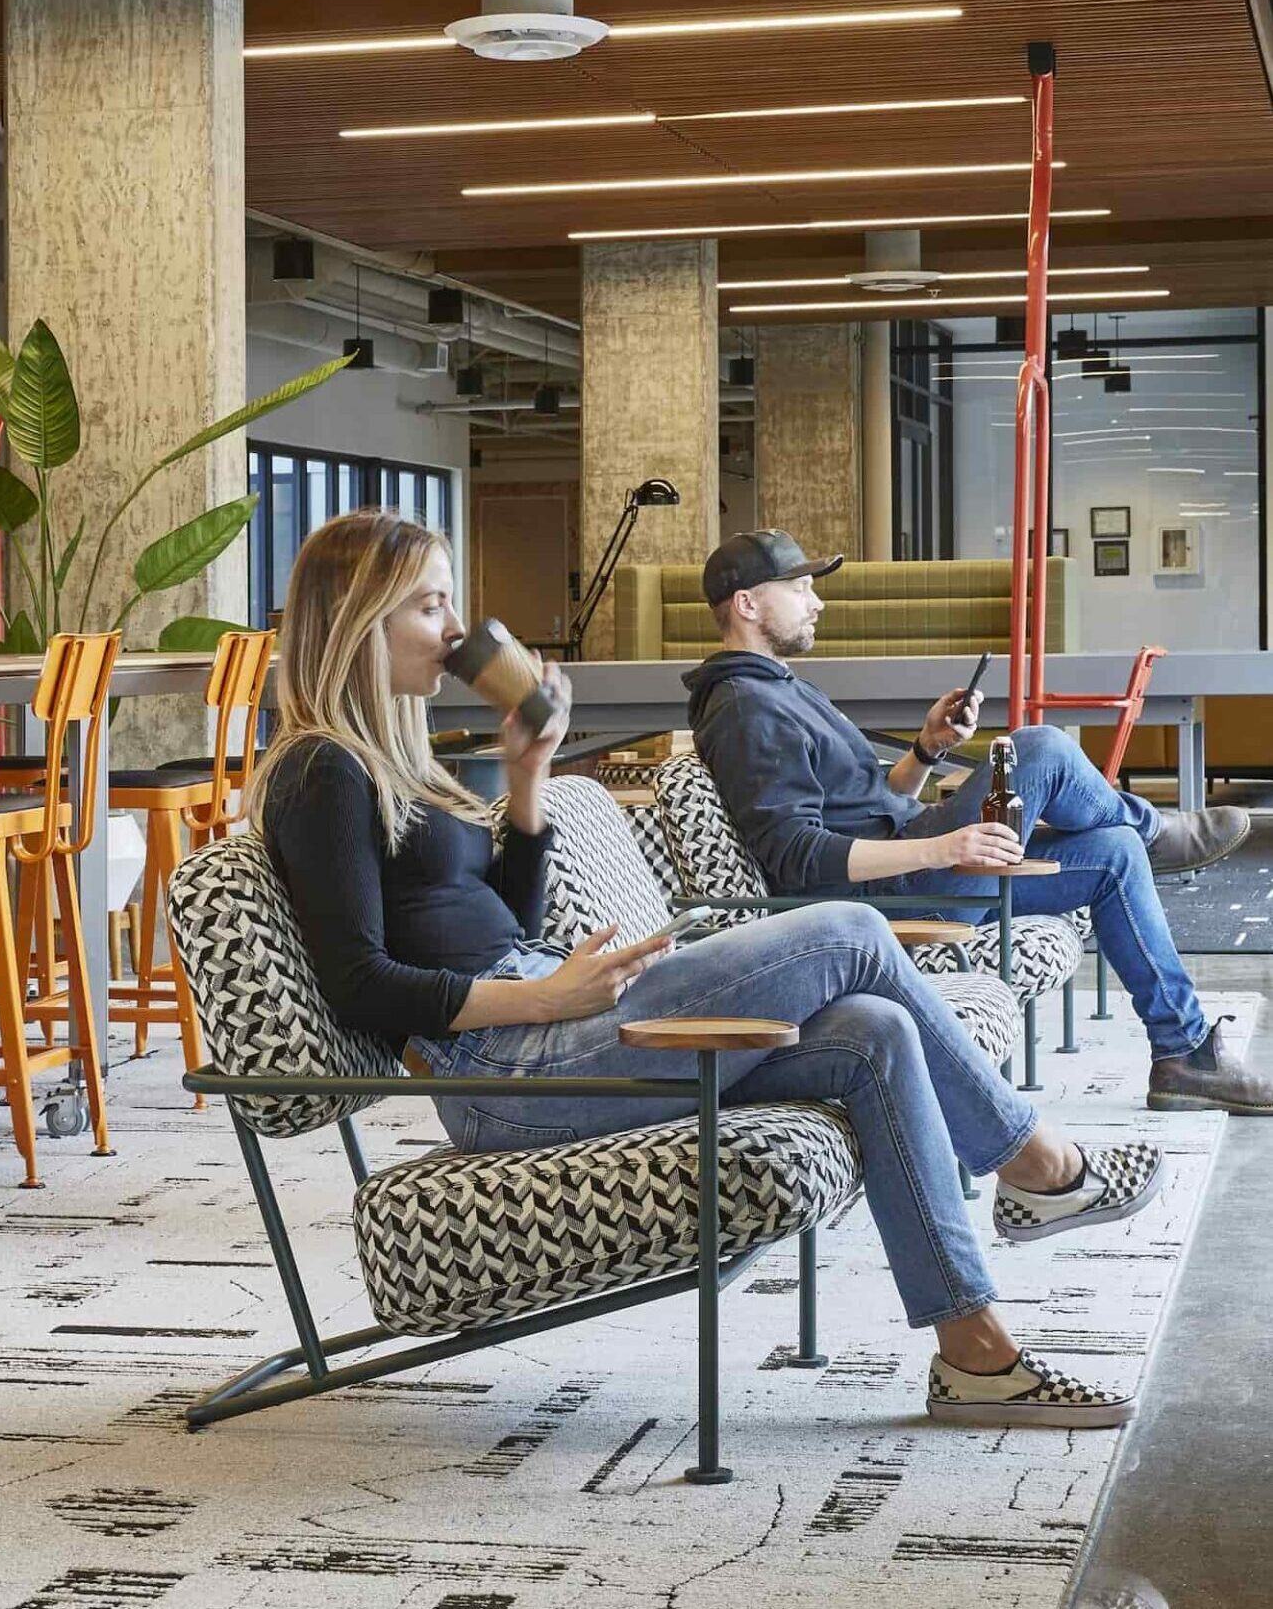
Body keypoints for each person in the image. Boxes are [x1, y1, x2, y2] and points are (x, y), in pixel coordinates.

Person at [251, 509, 1164, 1430]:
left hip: (541, 1021)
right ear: (361, 620)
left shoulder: (395, 763)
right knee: (845, 930)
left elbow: (506, 920)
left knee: (873, 1034)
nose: (454, 630)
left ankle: (977, 1358)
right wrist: (544, 994)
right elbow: (356, 983)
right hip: (504, 1071)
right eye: (430, 606)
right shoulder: (319, 772)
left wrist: (526, 779)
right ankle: (1041, 1166)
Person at [685, 528, 1272, 1115]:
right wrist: (942, 849)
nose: (817, 602)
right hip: (886, 902)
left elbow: (869, 804)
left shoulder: (782, 690)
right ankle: (1157, 833)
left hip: (911, 865)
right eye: (800, 588)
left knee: (1113, 851)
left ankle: (1185, 1057)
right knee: (1038, 748)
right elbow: (797, 855)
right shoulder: (745, 707)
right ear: (748, 603)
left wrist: (926, 749)